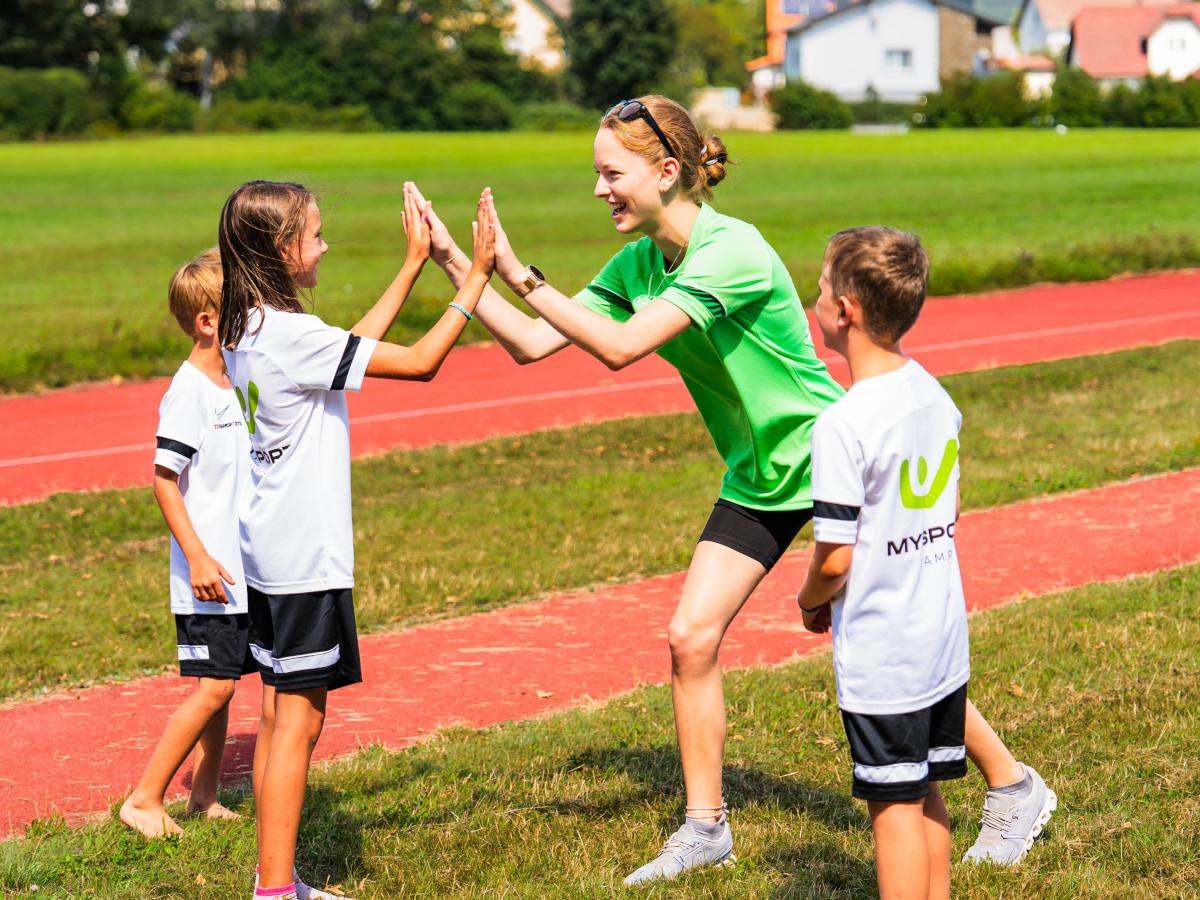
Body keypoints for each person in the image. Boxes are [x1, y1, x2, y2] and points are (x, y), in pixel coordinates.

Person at [408, 95, 1052, 882]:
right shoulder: (639, 264)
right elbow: (535, 343)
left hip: (828, 458)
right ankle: (706, 827)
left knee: (895, 651)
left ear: (665, 171)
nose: (599, 189)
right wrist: (458, 261)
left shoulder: (730, 251)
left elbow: (619, 347)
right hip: (758, 475)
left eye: (611, 173)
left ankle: (1014, 785)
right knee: (691, 637)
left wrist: (517, 271)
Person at [219, 180, 494, 900]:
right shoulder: (291, 336)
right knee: (299, 723)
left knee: (277, 712)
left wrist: (411, 265)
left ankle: (276, 879)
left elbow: (348, 351)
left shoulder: (247, 325)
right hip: (304, 559)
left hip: (266, 550)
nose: (324, 245)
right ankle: (274, 891)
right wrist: (475, 277)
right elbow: (421, 361)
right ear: (282, 248)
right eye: (314, 235)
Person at [797, 227, 1056, 899]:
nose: (813, 298)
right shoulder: (932, 394)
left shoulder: (842, 425)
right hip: (942, 641)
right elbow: (952, 505)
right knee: (926, 788)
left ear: (845, 309)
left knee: (893, 810)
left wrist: (808, 600)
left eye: (819, 288)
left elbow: (835, 559)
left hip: (885, 655)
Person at [119, 248, 252, 840]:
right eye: (242, 307)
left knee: (222, 685)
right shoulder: (189, 392)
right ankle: (144, 799)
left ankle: (203, 795)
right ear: (207, 322)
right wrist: (197, 556)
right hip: (207, 573)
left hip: (237, 569)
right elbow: (164, 480)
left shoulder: (234, 379)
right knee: (215, 687)